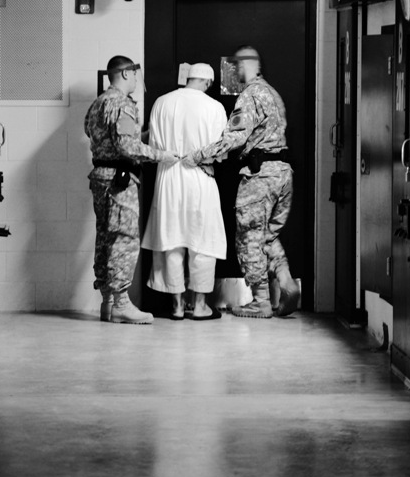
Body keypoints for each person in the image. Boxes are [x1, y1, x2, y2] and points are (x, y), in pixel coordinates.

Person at [183, 46, 300, 318]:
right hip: (282, 174)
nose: (232, 73)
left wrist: (198, 156)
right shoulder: (273, 93)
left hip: (260, 177)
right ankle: (285, 280)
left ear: (246, 66)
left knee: (249, 238)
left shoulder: (250, 95)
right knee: (267, 235)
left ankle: (260, 302)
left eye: (235, 67)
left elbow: (234, 138)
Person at [84, 55, 178, 325]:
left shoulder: (98, 103)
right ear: (125, 74)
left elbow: (95, 133)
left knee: (105, 238)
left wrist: (140, 137)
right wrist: (161, 155)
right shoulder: (122, 104)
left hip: (101, 177)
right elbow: (126, 146)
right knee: (123, 240)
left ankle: (107, 303)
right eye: (136, 75)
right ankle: (122, 304)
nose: (137, 81)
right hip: (119, 180)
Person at [142, 63, 227, 320]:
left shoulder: (162, 103)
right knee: (203, 242)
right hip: (201, 177)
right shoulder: (215, 107)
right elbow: (221, 151)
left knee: (172, 241)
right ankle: (200, 306)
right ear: (208, 82)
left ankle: (177, 306)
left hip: (168, 177)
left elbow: (154, 145)